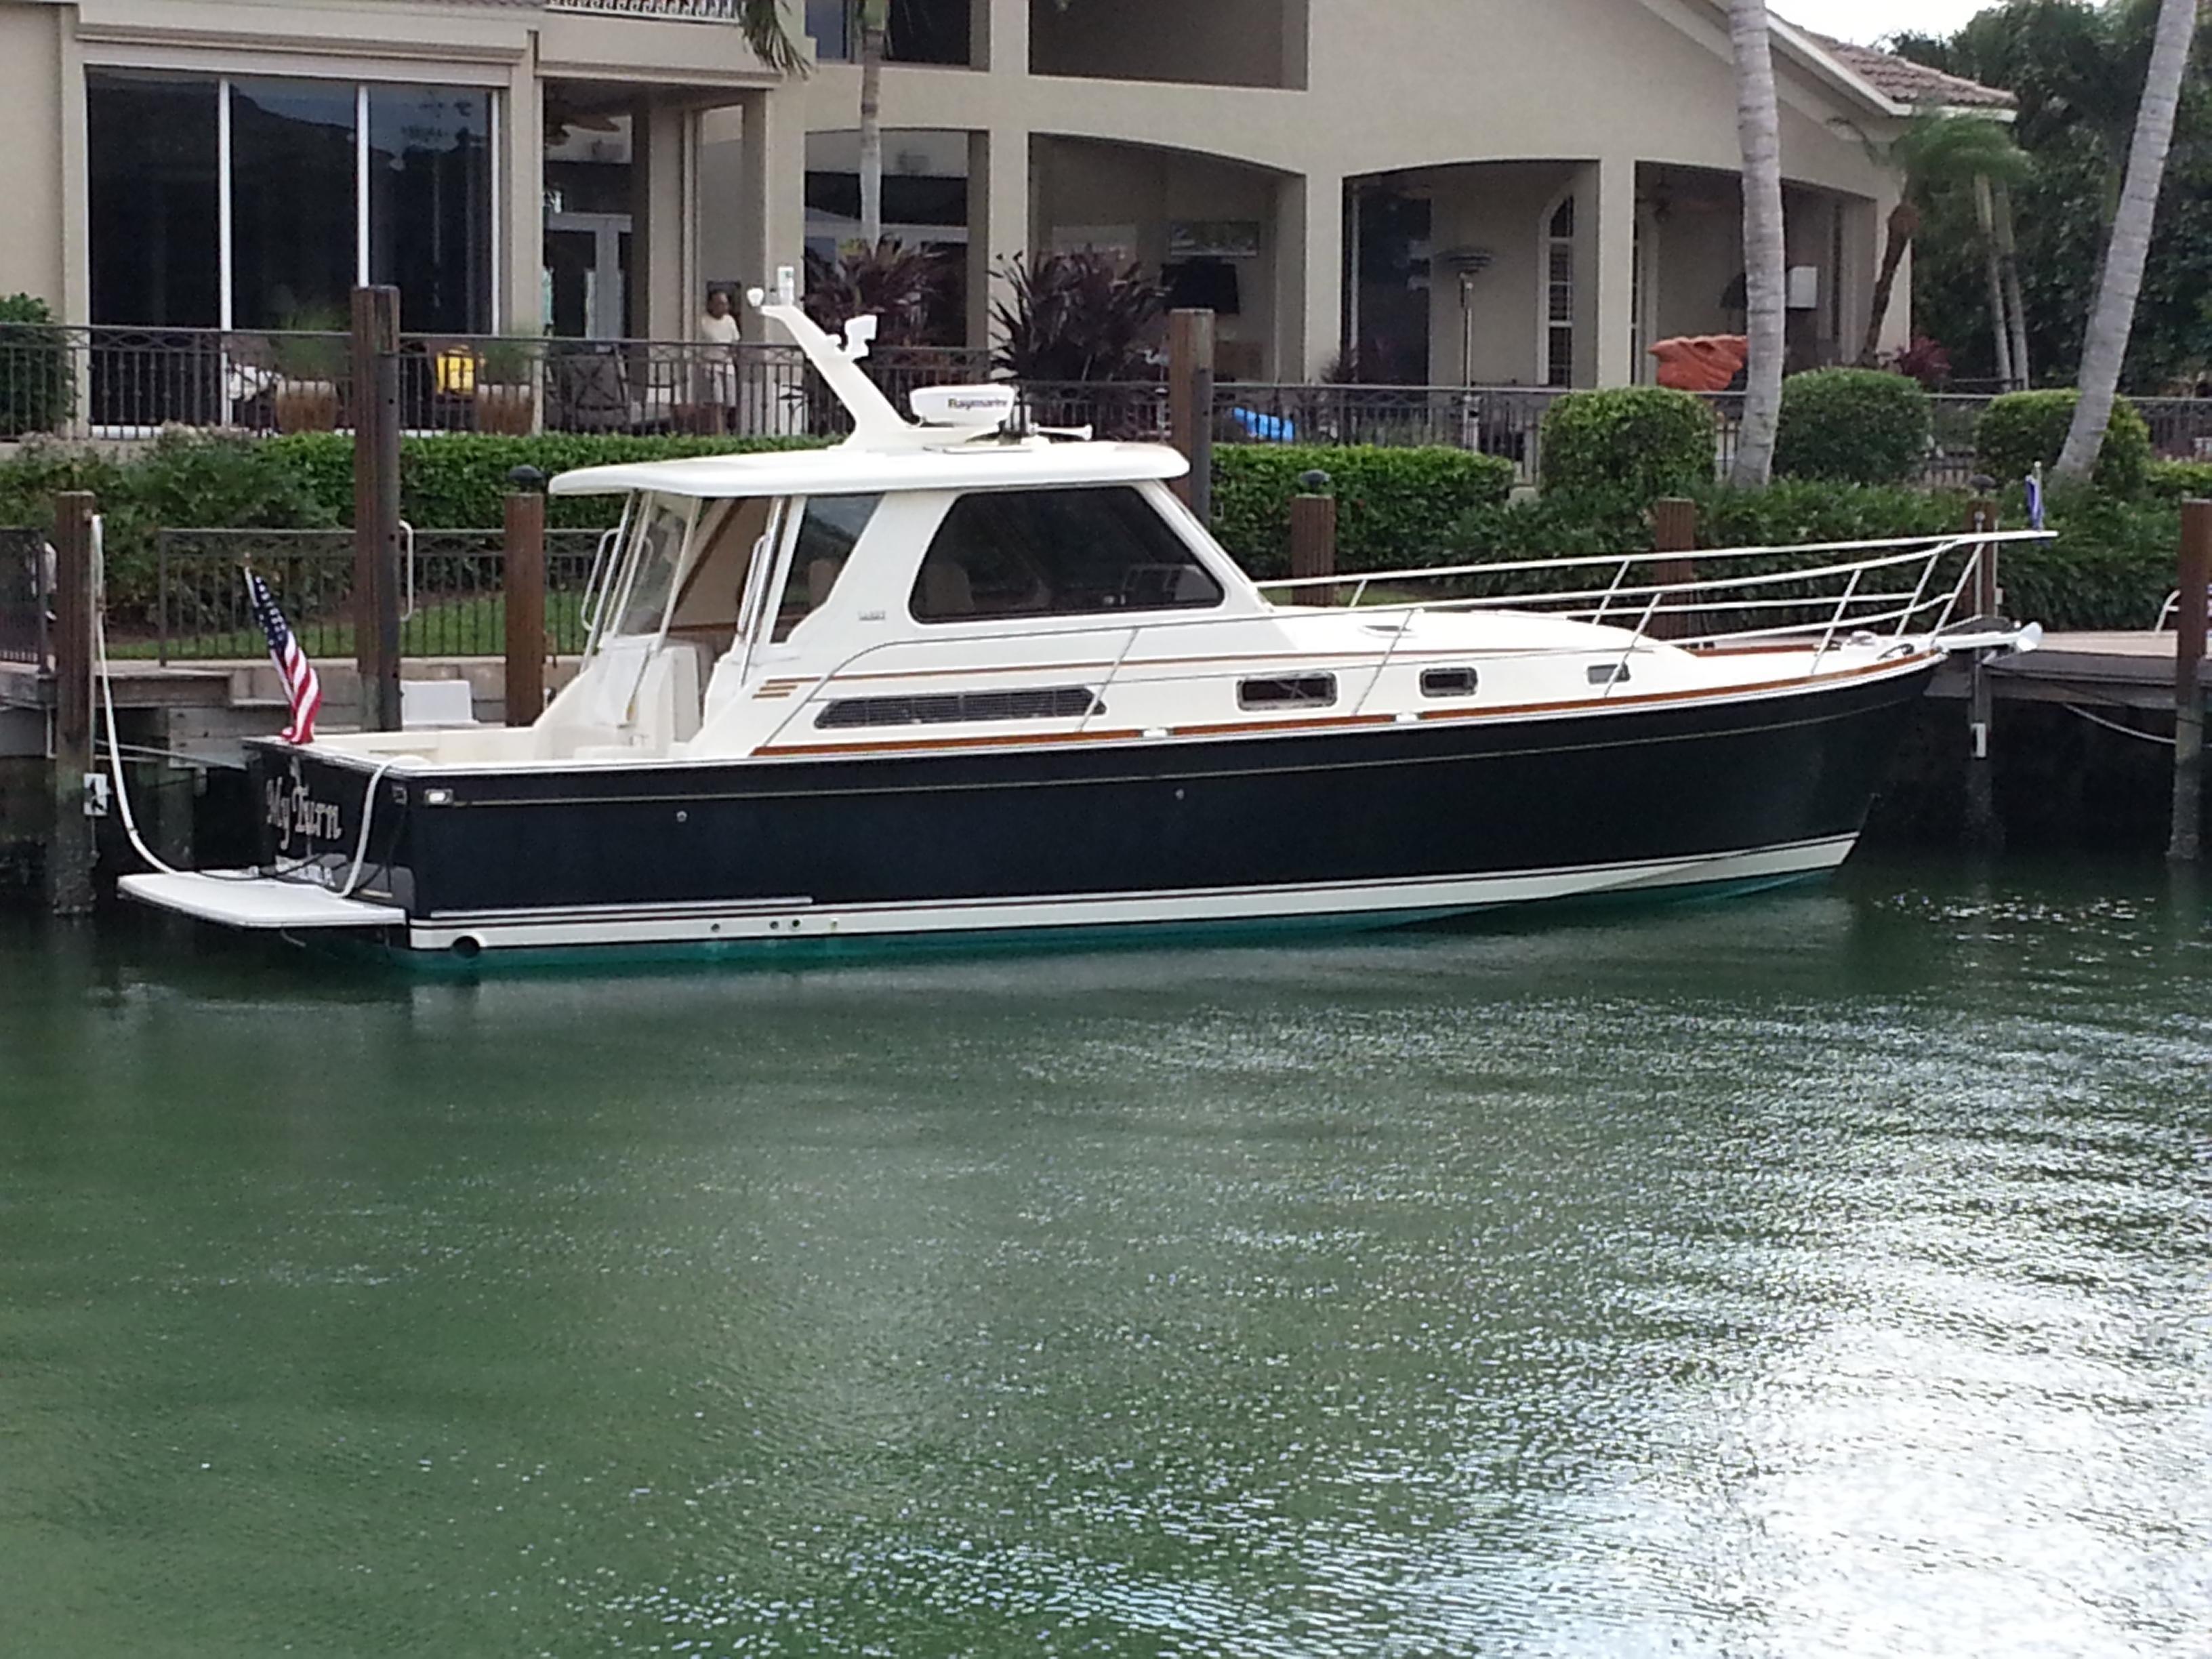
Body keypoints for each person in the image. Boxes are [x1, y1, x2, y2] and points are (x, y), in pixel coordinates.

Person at [697, 287, 741, 429]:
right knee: (716, 402)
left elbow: (735, 341)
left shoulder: (730, 321)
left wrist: (734, 352)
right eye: (719, 304)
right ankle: (717, 433)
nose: (723, 307)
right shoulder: (703, 321)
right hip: (710, 365)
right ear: (710, 305)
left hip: (727, 365)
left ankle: (722, 428)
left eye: (725, 304)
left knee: (729, 403)